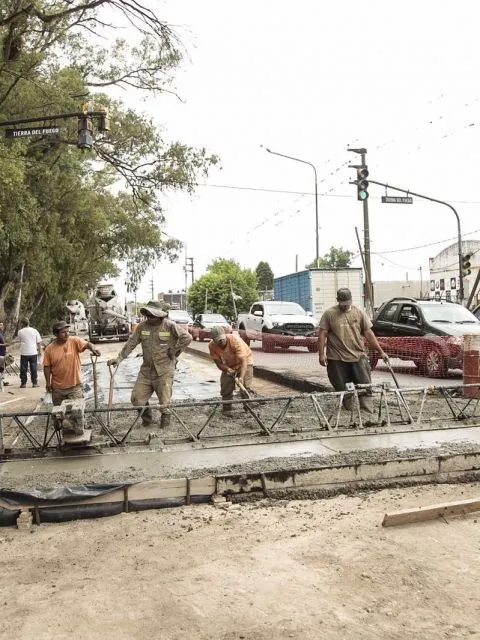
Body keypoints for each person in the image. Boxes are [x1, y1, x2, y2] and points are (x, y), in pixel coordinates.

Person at [107, 301, 192, 428]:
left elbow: (187, 338)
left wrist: (174, 350)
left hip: (164, 370)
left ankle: (165, 426)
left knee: (165, 403)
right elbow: (131, 343)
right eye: (147, 314)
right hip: (146, 371)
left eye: (152, 315)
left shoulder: (170, 326)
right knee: (136, 399)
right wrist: (119, 358)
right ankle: (147, 420)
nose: (149, 317)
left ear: (159, 315)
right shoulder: (142, 327)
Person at [318, 288, 388, 412]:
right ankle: (349, 409)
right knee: (342, 385)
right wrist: (321, 355)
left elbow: (368, 333)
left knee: (364, 383)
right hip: (337, 356)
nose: (345, 306)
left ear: (351, 300)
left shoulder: (359, 313)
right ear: (338, 300)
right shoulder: (329, 314)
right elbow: (322, 334)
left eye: (347, 303)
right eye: (342, 303)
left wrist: (381, 352)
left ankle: (367, 410)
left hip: (357, 354)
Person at [43, 321, 101, 406]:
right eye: (63, 332)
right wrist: (48, 383)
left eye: (68, 331)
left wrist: (93, 349)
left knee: (76, 411)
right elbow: (47, 366)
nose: (66, 334)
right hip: (58, 389)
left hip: (75, 387)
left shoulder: (74, 341)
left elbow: (87, 344)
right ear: (56, 334)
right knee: (59, 411)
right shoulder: (49, 349)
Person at [208, 326, 254, 415]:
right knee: (226, 386)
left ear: (225, 335)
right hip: (230, 364)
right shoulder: (212, 346)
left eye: (222, 339)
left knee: (245, 387)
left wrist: (241, 377)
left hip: (245, 362)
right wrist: (228, 369)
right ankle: (227, 408)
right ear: (213, 340)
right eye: (218, 340)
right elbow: (218, 363)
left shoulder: (235, 340)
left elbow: (244, 361)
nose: (221, 342)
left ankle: (248, 408)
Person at [17, 318, 44, 388]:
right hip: (33, 352)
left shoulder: (20, 332)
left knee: (23, 368)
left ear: (22, 324)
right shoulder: (34, 330)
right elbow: (38, 342)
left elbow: (20, 340)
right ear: (28, 323)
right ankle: (34, 383)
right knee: (34, 368)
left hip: (24, 352)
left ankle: (23, 383)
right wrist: (39, 351)